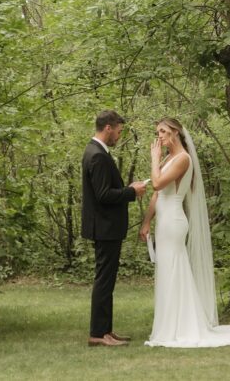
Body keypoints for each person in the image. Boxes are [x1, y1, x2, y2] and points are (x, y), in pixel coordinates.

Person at [139, 117, 230, 347]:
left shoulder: (183, 159)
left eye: (163, 131)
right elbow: (156, 195)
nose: (159, 136)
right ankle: (170, 324)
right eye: (158, 132)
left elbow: (157, 184)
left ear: (175, 132)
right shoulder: (169, 157)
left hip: (173, 221)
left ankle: (180, 326)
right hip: (163, 221)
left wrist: (153, 160)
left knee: (174, 269)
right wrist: (146, 222)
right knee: (167, 270)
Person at [81, 109, 147, 347]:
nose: (119, 136)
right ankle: (98, 334)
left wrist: (128, 188)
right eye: (118, 131)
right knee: (104, 281)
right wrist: (132, 192)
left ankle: (106, 330)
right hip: (105, 228)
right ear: (108, 127)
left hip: (105, 227)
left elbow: (105, 190)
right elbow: (103, 195)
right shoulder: (97, 155)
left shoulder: (97, 151)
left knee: (107, 280)